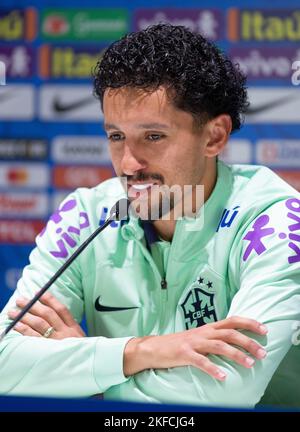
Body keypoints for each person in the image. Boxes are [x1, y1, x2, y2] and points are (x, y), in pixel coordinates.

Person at [0, 23, 299, 408]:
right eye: (116, 136)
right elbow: (5, 357)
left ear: (214, 136)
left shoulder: (275, 221)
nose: (129, 164)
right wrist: (143, 351)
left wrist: (91, 384)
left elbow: (229, 389)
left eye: (153, 136)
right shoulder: (86, 215)